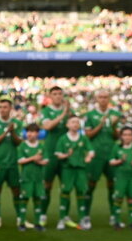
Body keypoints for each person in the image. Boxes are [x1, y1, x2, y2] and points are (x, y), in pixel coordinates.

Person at [84, 89, 122, 227]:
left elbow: (119, 137)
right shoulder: (90, 115)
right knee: (90, 184)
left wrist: (113, 126)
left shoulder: (116, 115)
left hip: (112, 153)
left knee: (113, 184)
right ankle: (86, 215)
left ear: (109, 98)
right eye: (100, 97)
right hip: (95, 154)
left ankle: (114, 215)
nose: (103, 99)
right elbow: (88, 135)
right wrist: (101, 124)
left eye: (106, 97)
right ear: (96, 99)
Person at [0, 97, 25, 230]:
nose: (3, 110)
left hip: (13, 163)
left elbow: (19, 142)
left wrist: (13, 131)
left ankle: (20, 218)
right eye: (0, 107)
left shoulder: (17, 123)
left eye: (5, 107)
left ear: (10, 109)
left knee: (17, 191)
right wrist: (6, 132)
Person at [54, 115, 95, 230]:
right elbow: (58, 154)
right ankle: (62, 218)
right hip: (68, 169)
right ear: (67, 125)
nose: (75, 124)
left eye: (77, 122)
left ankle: (82, 218)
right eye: (73, 122)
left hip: (81, 169)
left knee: (81, 192)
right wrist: (66, 155)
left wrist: (89, 157)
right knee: (65, 192)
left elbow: (91, 150)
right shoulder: (62, 138)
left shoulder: (83, 138)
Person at [40, 85, 70, 225]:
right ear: (50, 96)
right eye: (55, 94)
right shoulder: (46, 111)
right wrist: (63, 114)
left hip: (66, 154)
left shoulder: (70, 111)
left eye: (60, 93)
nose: (58, 96)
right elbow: (47, 126)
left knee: (66, 185)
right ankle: (42, 214)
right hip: (50, 153)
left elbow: (76, 127)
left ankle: (64, 216)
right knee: (47, 184)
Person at [17, 124, 48, 231]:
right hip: (26, 178)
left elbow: (46, 161)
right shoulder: (22, 146)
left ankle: (37, 223)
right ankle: (21, 223)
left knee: (38, 200)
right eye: (28, 132)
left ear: (38, 133)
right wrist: (33, 158)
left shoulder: (42, 146)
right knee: (24, 200)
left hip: (38, 178)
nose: (30, 134)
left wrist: (39, 161)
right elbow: (20, 160)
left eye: (33, 132)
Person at [107, 125, 132, 230]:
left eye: (130, 135)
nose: (127, 137)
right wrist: (120, 161)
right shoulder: (117, 147)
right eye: (125, 135)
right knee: (118, 198)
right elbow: (111, 161)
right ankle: (116, 221)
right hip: (121, 177)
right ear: (121, 136)